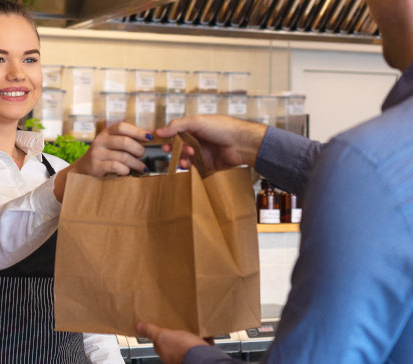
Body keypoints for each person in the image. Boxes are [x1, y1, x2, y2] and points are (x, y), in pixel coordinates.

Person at [136, 0, 413, 363]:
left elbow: (371, 179)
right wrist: (254, 143)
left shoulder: (369, 163)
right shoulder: (374, 163)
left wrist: (192, 356)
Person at [0, 0, 151, 363]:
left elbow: (89, 310)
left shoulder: (56, 169)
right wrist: (71, 182)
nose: (18, 73)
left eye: (30, 59)